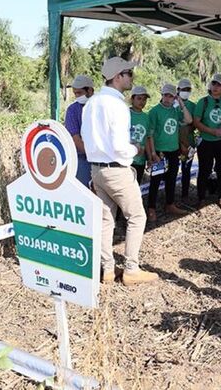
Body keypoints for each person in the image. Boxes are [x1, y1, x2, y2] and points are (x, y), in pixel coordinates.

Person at [80, 57, 157, 286]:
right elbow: (120, 146)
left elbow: (87, 138)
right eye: (129, 73)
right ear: (118, 76)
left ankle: (108, 269)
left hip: (96, 169)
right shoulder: (117, 106)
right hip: (116, 169)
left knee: (106, 221)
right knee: (137, 216)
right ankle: (131, 269)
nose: (132, 77)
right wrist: (136, 148)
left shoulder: (91, 103)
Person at [146, 83, 192, 222]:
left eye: (171, 96)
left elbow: (189, 120)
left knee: (172, 179)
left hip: (173, 151)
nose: (167, 98)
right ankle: (151, 208)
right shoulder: (154, 111)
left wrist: (181, 104)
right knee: (155, 180)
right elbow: (150, 135)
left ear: (175, 97)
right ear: (162, 95)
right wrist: (153, 153)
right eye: (165, 95)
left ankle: (170, 204)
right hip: (160, 152)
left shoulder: (176, 111)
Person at [194, 73, 221, 208]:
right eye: (214, 84)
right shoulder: (203, 102)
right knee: (204, 169)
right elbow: (196, 122)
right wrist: (212, 131)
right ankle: (201, 198)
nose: (216, 87)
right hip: (206, 141)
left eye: (219, 85)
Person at [64, 75, 94, 188]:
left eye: (79, 93)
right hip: (82, 158)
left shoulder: (100, 107)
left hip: (103, 159)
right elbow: (76, 139)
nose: (77, 96)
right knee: (85, 190)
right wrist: (94, 154)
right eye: (75, 93)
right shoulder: (73, 110)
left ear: (90, 90)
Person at [177, 78, 197, 200]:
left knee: (186, 169)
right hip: (173, 143)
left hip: (188, 144)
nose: (186, 91)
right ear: (178, 90)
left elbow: (194, 124)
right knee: (171, 169)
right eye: (183, 89)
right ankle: (169, 198)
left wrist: (185, 131)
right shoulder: (172, 104)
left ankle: (185, 195)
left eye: (188, 89)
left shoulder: (193, 106)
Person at [129, 86, 151, 183]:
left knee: (136, 184)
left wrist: (149, 158)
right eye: (139, 98)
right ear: (132, 99)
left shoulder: (146, 117)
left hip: (140, 160)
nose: (142, 102)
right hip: (127, 160)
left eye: (144, 99)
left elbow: (146, 139)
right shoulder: (125, 114)